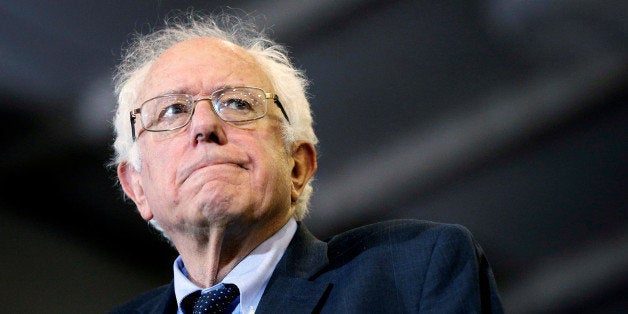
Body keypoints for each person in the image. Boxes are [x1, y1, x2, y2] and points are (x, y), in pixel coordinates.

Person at [108, 10, 504, 314]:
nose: (205, 125)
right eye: (173, 111)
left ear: (297, 166)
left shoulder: (414, 272)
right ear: (137, 187)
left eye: (237, 103)